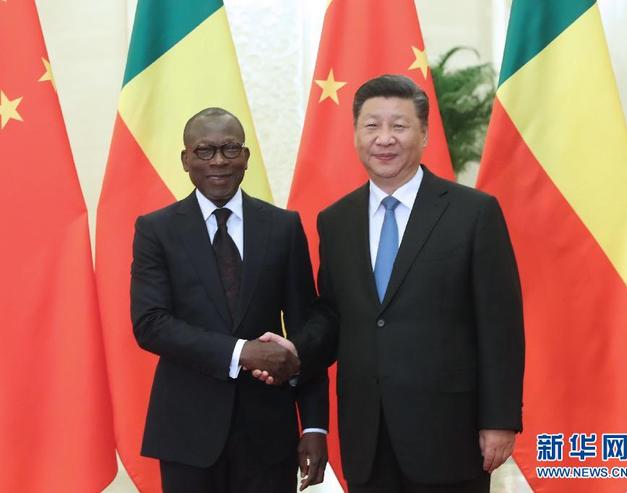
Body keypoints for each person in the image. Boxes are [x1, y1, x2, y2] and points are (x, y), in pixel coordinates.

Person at [257, 75, 525, 493]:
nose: (384, 139)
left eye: (399, 126)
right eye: (372, 126)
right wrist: (298, 350)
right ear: (355, 134)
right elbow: (333, 314)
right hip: (368, 435)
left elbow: (500, 325)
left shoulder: (473, 213)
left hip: (449, 434)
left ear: (424, 134)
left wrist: (500, 420)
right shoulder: (336, 220)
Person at [130, 107, 328, 493]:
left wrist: (315, 425)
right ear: (186, 160)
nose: (218, 161)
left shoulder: (283, 227)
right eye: (205, 151)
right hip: (188, 435)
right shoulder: (156, 230)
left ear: (246, 157)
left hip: (270, 436)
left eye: (230, 148)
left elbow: (308, 330)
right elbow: (150, 323)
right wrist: (241, 352)